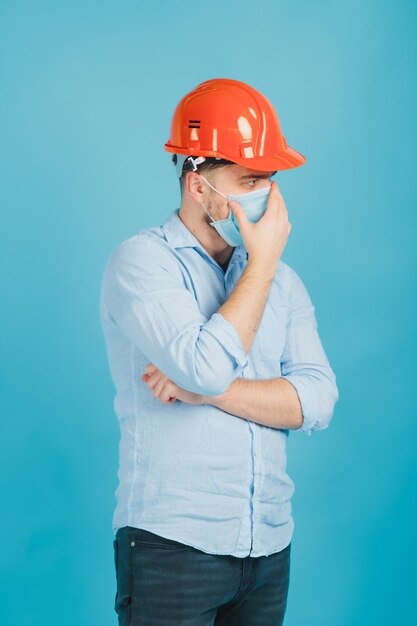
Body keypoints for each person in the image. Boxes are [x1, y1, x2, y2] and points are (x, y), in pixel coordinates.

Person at [99, 77, 339, 626]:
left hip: (269, 548)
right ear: (197, 184)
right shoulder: (142, 263)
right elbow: (205, 366)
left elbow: (318, 401)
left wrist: (203, 392)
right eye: (249, 180)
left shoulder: (283, 282)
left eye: (270, 180)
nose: (267, 195)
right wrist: (260, 262)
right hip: (173, 547)